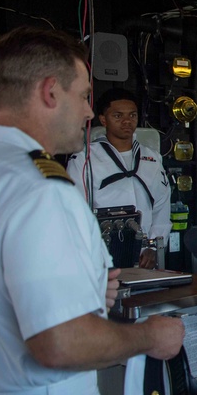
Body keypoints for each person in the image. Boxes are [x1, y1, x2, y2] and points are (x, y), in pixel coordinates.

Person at [0, 27, 185, 395]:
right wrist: (152, 336)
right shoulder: (42, 188)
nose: (90, 111)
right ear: (50, 91)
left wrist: (88, 290)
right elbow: (58, 343)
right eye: (84, 95)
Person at [67, 87, 170, 269]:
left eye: (132, 115)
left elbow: (162, 206)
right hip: (100, 251)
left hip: (143, 253)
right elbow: (75, 210)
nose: (126, 121)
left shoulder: (152, 158)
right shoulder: (85, 159)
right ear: (103, 120)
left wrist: (153, 246)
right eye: (118, 116)